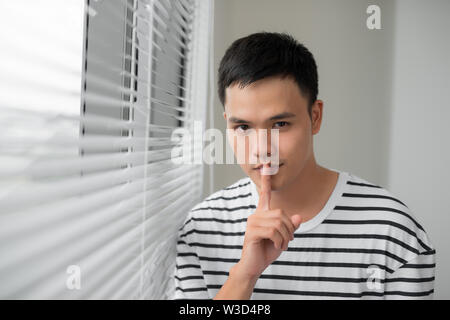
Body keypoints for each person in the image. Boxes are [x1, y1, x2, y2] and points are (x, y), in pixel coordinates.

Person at [172, 32, 436, 300]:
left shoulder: (393, 231)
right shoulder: (201, 228)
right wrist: (244, 276)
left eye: (280, 124)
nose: (262, 148)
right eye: (243, 127)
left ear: (315, 117)